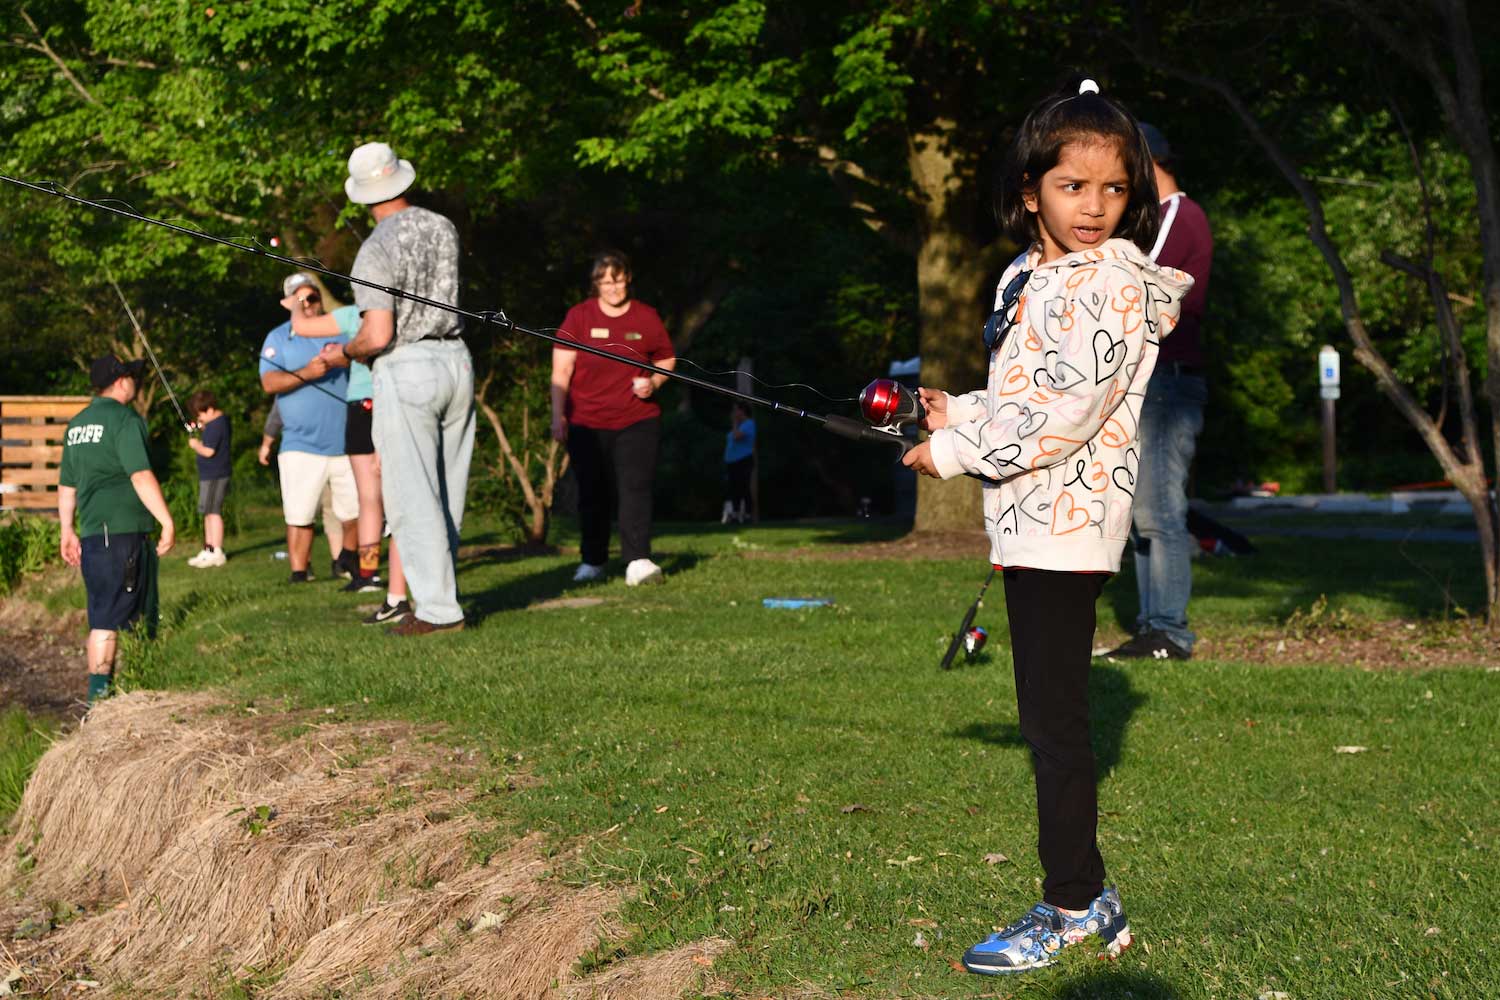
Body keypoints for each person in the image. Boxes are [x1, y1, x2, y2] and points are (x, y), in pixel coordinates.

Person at [901, 79, 1192, 974]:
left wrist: (953, 454)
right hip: (1025, 515)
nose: (1096, 207)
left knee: (1055, 726)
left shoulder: (1113, 284)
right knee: (1043, 717)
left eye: (1113, 190)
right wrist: (959, 411)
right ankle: (1083, 895)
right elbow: (1028, 392)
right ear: (1032, 191)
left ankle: (1075, 902)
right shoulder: (1028, 274)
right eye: (1074, 187)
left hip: (1071, 520)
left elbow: (1070, 411)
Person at [338, 141, 473, 636]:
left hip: (408, 365)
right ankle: (442, 596)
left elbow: (378, 334)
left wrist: (345, 352)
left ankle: (437, 610)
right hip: (457, 360)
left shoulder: (374, 248)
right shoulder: (443, 226)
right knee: (448, 489)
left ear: (363, 195)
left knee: (411, 494)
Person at [1105, 122, 1214, 661]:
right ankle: (1153, 625)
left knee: (1160, 512)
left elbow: (1135, 286)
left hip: (1169, 387)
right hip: (1149, 385)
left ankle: (1169, 629)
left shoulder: (1180, 216)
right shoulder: (1161, 221)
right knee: (1140, 513)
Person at [279, 272, 412, 621]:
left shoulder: (354, 316)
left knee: (372, 496)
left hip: (367, 405)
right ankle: (379, 574)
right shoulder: (399, 312)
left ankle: (371, 575)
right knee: (384, 494)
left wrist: (295, 305)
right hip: (387, 402)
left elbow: (304, 327)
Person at [550, 251, 677, 586]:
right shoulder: (578, 317)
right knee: (592, 492)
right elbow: (561, 370)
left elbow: (666, 358)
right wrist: (557, 415)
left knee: (635, 488)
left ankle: (638, 560)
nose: (612, 288)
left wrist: (654, 382)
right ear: (596, 284)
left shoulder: (646, 317)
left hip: (637, 419)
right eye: (605, 282)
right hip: (586, 422)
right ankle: (592, 560)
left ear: (628, 279)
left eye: (617, 280)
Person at [57, 355, 176, 703]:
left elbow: (67, 485)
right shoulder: (125, 420)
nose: (136, 384)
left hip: (94, 534)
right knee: (111, 618)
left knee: (103, 614)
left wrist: (67, 529)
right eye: (133, 378)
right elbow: (140, 474)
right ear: (122, 381)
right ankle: (101, 702)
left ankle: (116, 692)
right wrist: (166, 521)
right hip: (123, 533)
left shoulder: (76, 425)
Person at [258, 274, 360, 584]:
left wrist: (344, 360)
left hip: (347, 441)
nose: (307, 305)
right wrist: (307, 372)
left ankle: (346, 563)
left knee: (353, 512)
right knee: (300, 515)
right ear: (287, 303)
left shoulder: (340, 329)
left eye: (312, 298)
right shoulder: (278, 337)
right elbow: (269, 382)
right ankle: (300, 572)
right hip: (301, 444)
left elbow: (365, 362)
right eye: (299, 300)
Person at [185, 389, 231, 568]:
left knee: (214, 512)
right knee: (207, 512)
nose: (199, 418)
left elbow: (209, 451)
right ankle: (209, 548)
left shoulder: (216, 425)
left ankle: (217, 551)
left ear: (210, 410)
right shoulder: (217, 422)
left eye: (200, 414)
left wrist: (195, 445)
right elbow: (205, 429)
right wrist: (199, 427)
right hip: (209, 474)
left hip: (215, 474)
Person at [722, 402, 755, 524]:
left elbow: (736, 436)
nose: (733, 413)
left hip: (743, 460)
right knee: (733, 488)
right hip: (732, 462)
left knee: (744, 487)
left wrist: (735, 423)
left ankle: (747, 515)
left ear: (742, 411)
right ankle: (735, 514)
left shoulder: (748, 424)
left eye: (736, 410)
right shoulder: (739, 425)